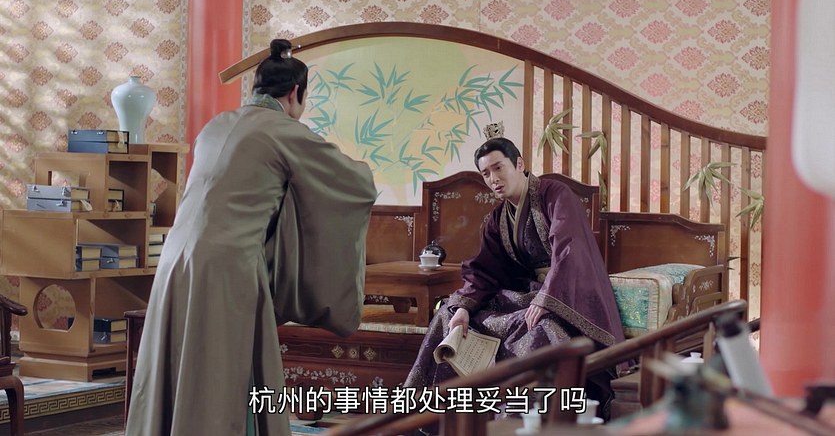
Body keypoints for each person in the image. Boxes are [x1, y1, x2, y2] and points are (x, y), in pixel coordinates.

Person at [126, 39, 377, 436]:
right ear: (295, 93)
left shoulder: (215, 126)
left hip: (174, 258)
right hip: (227, 263)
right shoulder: (284, 131)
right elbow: (357, 185)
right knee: (223, 367)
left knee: (179, 359)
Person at [404, 137, 625, 419]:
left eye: (499, 168)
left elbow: (570, 250)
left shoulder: (556, 195)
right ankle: (434, 417)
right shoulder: (497, 218)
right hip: (528, 296)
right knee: (449, 316)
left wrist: (547, 298)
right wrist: (463, 307)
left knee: (541, 329)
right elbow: (485, 270)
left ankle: (522, 422)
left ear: (519, 164)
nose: (493, 179)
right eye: (486, 173)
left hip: (568, 297)